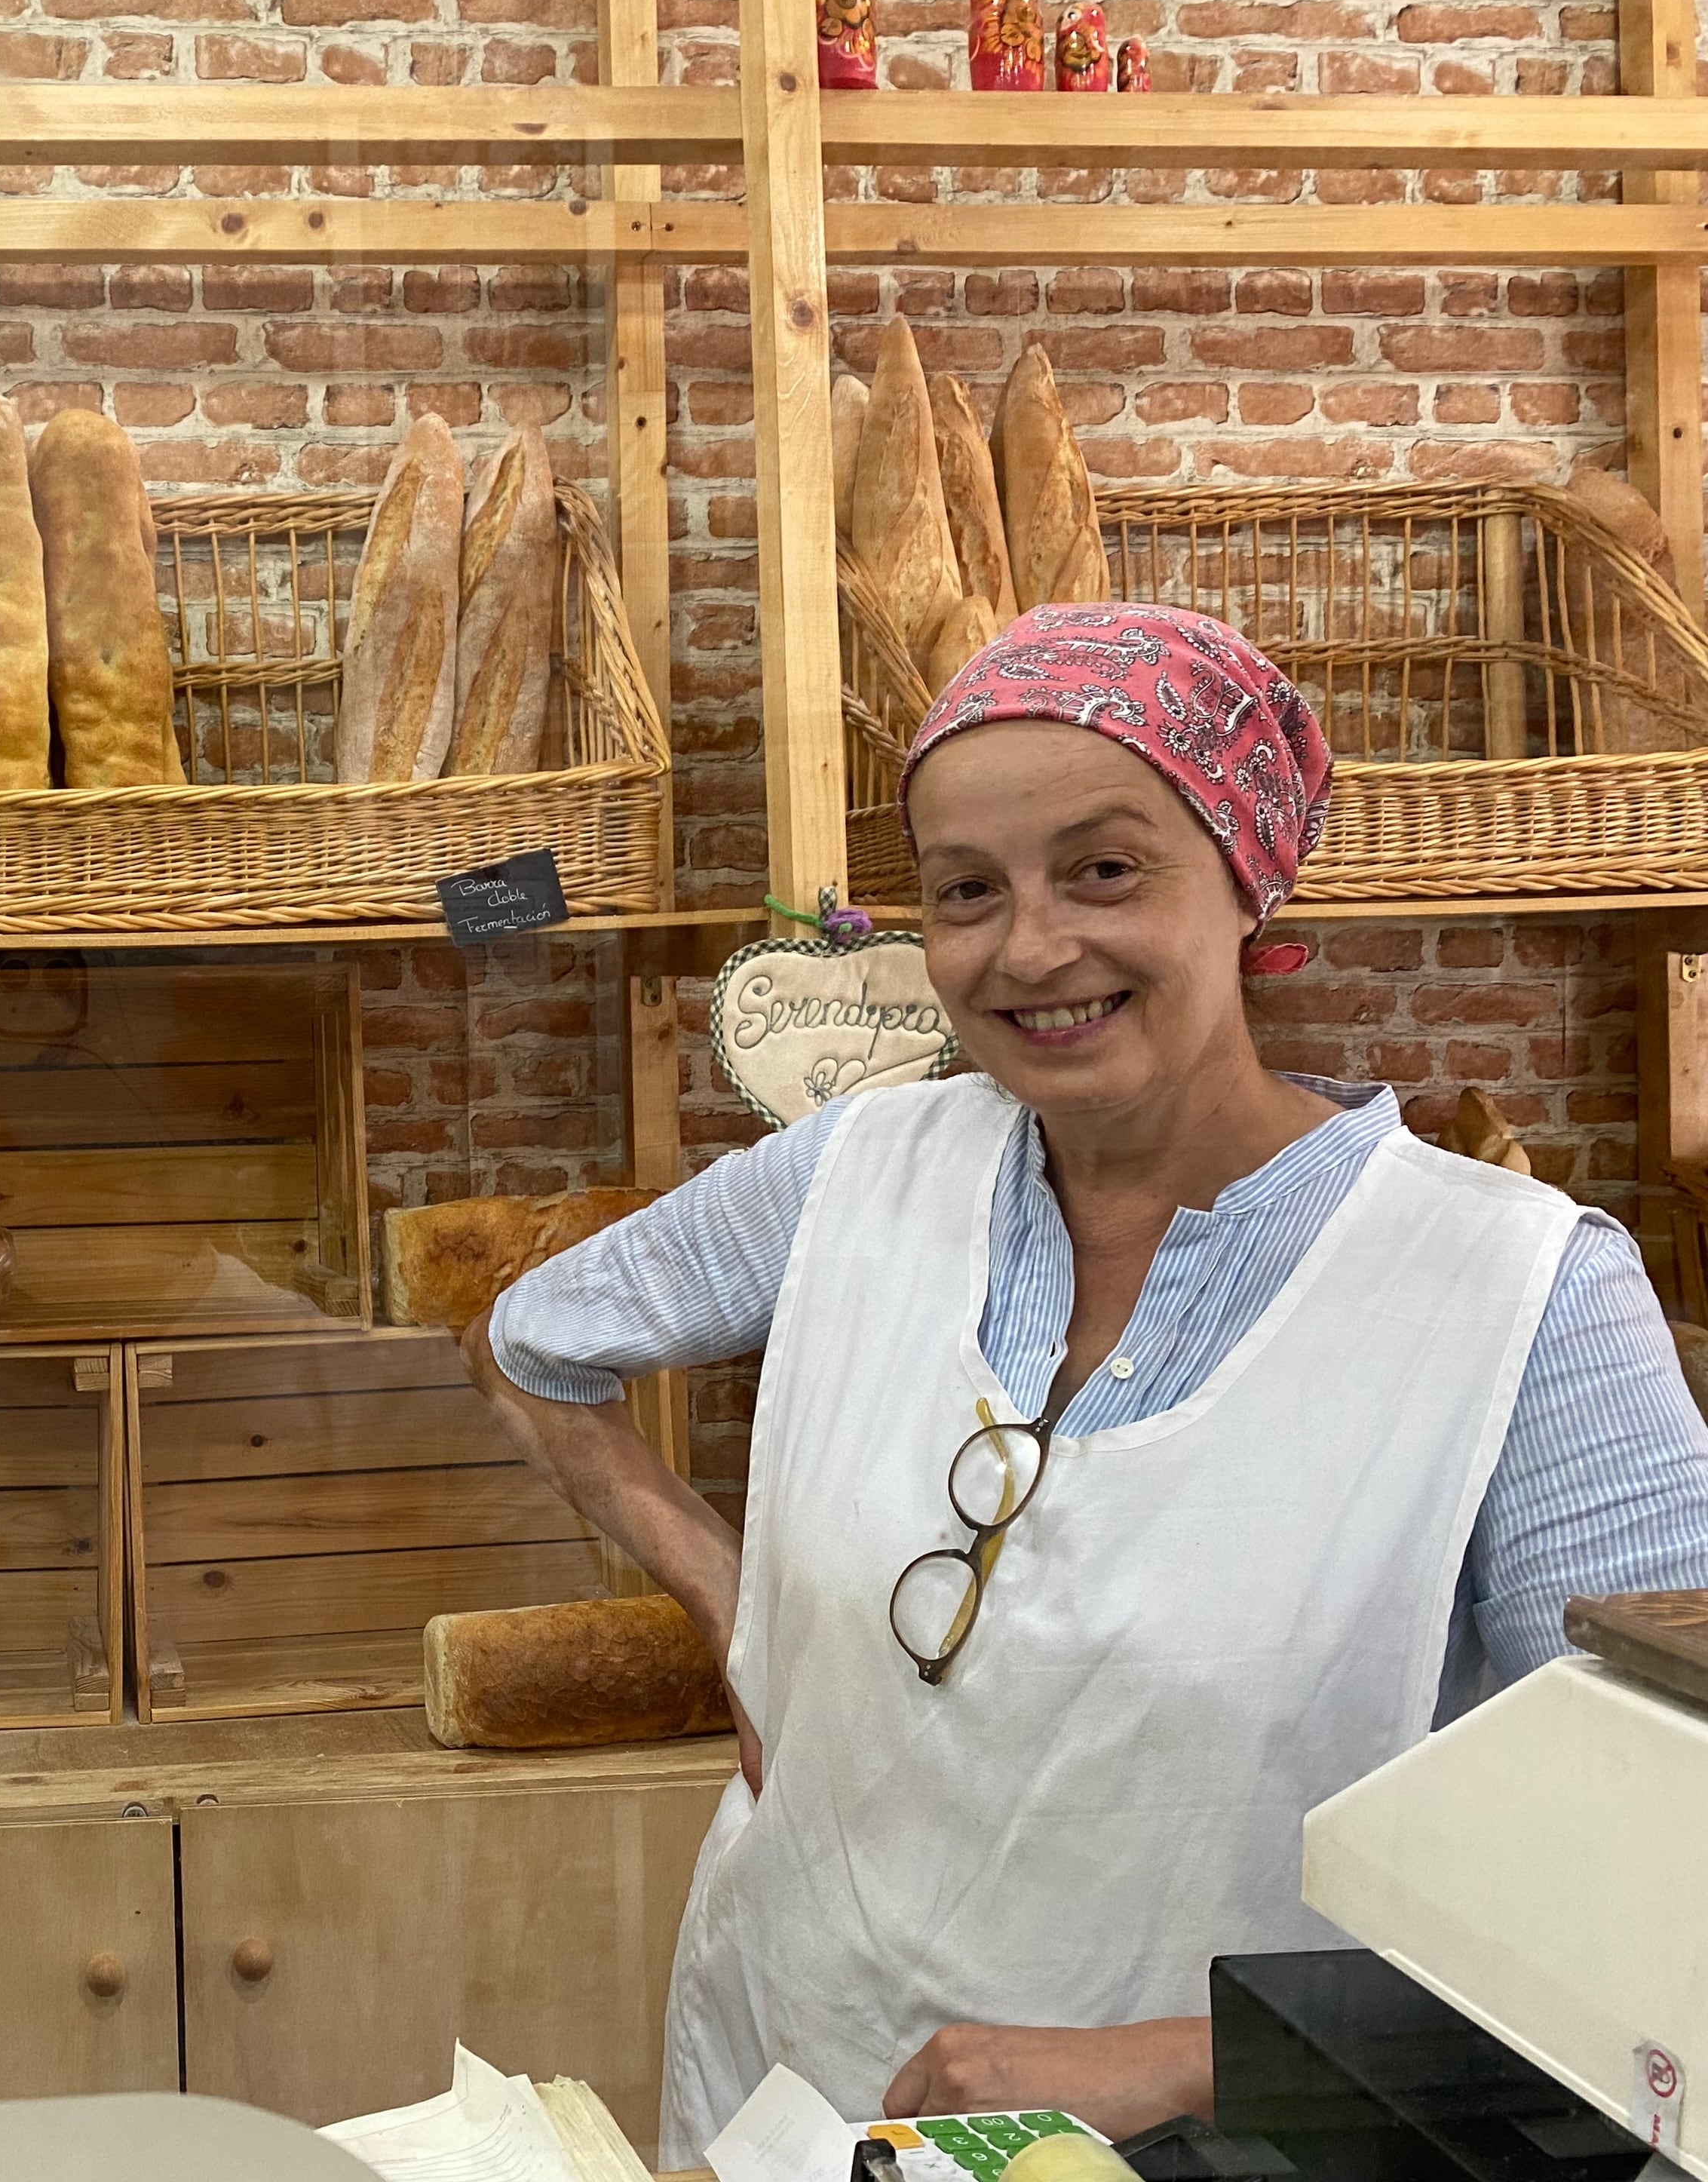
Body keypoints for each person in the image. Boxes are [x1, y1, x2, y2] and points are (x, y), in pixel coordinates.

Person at [469, 603, 1708, 2165]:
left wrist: (1196, 2060)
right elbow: (530, 1344)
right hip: (797, 2079)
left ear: (1250, 878)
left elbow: (1671, 1894)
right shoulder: (852, 1176)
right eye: (966, 892)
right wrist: (737, 1614)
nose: (1031, 948)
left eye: (1106, 870)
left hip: (1231, 2147)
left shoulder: (1518, 1299)